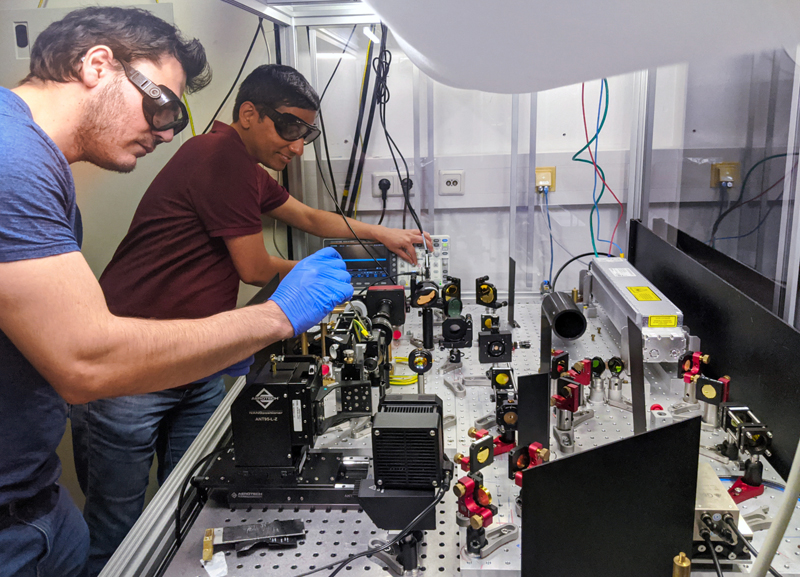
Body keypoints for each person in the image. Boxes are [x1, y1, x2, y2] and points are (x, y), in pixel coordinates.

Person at [0, 7, 352, 577]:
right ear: (96, 65)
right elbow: (85, 359)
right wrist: (277, 316)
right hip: (17, 524)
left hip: (37, 500)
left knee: (177, 514)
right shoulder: (12, 161)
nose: (167, 131)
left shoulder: (37, 161)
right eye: (162, 104)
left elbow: (307, 214)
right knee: (120, 536)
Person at [69, 62, 430, 575]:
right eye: (290, 129)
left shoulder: (244, 168)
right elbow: (255, 268)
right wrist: (332, 277)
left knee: (190, 505)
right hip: (134, 367)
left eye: (307, 134)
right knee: (119, 528)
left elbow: (306, 217)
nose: (299, 146)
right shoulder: (220, 160)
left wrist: (378, 235)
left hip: (198, 360)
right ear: (248, 114)